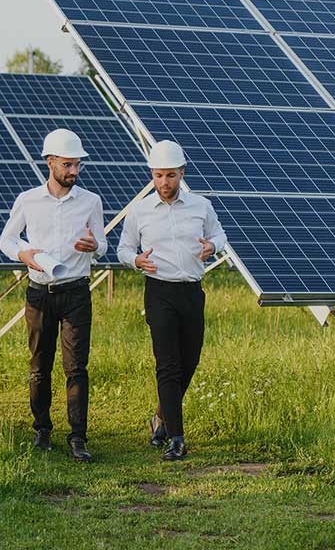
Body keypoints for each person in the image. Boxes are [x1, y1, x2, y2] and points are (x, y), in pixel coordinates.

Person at [0, 128, 107, 462]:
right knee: (39, 366)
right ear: (50, 163)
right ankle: (41, 430)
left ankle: (78, 438)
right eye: (68, 165)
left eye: (77, 165)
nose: (74, 171)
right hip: (38, 293)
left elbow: (102, 246)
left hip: (76, 293)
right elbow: (7, 239)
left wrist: (95, 246)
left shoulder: (91, 202)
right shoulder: (28, 200)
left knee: (76, 368)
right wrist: (23, 256)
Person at [117, 140, 227, 461]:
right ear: (152, 175)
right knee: (168, 364)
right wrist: (136, 261)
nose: (164, 183)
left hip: (192, 291)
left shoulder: (201, 206)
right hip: (159, 291)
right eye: (158, 176)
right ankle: (176, 439)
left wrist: (213, 247)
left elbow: (220, 235)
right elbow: (124, 249)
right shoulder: (139, 211)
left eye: (170, 176)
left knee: (189, 362)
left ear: (182, 173)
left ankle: (161, 419)